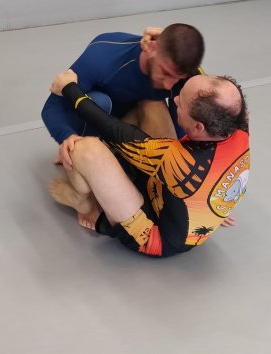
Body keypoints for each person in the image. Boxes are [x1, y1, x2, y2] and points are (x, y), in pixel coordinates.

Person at [48, 69, 250, 258]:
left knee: (82, 149)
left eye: (180, 103)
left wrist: (69, 88)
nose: (175, 99)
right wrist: (211, 208)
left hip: (155, 234)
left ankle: (84, 204)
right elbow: (197, 73)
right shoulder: (239, 124)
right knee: (151, 103)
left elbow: (111, 128)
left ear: (199, 127)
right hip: (172, 196)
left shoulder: (176, 161)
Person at [41, 24, 205, 170]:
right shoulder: (102, 56)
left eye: (176, 77)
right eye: (165, 72)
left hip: (129, 125)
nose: (168, 85)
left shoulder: (179, 76)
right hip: (99, 122)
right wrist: (66, 136)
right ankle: (88, 156)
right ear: (151, 47)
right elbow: (51, 108)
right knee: (100, 101)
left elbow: (184, 125)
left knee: (169, 106)